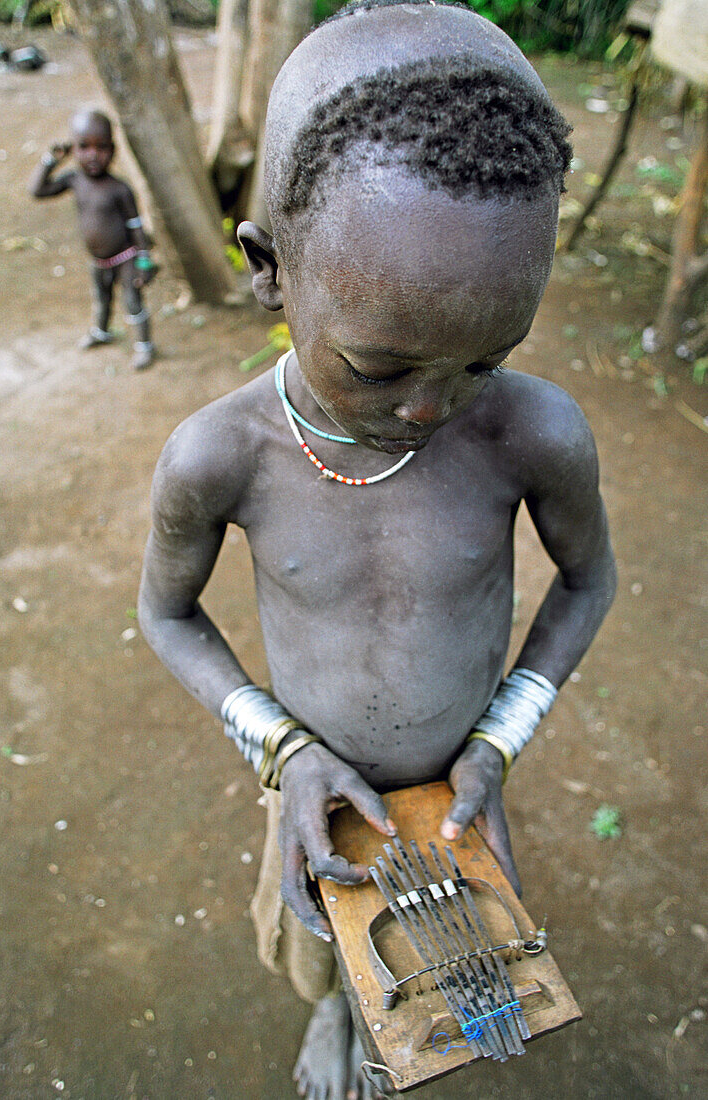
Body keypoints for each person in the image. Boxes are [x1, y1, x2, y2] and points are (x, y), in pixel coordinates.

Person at [138, 2, 617, 1096]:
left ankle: (375, 1021)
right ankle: (332, 1021)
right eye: (380, 365)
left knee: (449, 945)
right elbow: (165, 611)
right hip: (315, 787)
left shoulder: (531, 434)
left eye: (486, 360)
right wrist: (285, 751)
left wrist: (499, 739)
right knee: (328, 938)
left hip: (463, 788)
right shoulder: (220, 457)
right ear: (269, 268)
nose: (430, 409)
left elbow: (590, 576)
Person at [29, 109, 157, 371]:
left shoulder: (119, 189)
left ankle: (144, 346)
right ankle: (101, 332)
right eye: (83, 147)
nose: (93, 155)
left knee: (132, 301)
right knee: (102, 296)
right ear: (72, 148)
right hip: (98, 259)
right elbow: (38, 190)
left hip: (125, 257)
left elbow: (136, 226)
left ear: (114, 149)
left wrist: (144, 263)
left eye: (102, 147)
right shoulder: (74, 180)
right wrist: (50, 161)